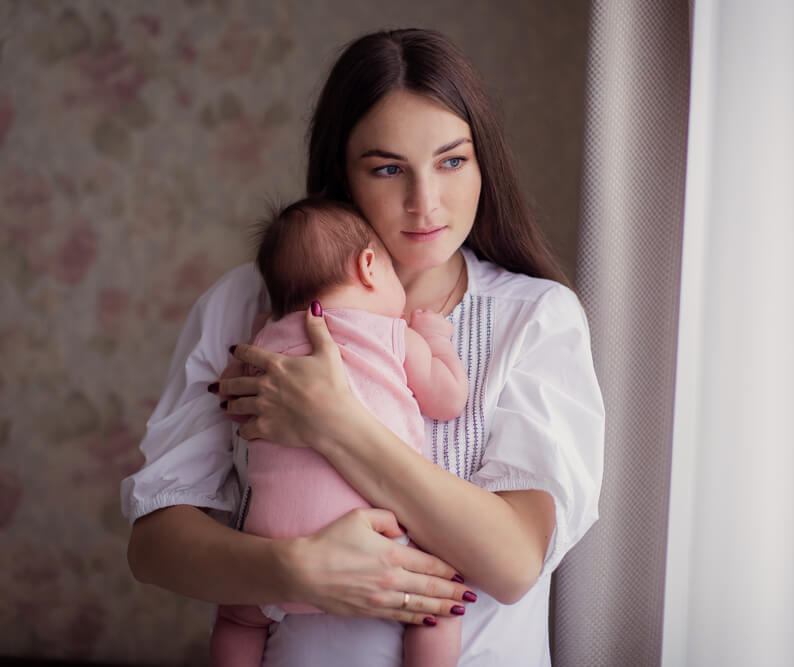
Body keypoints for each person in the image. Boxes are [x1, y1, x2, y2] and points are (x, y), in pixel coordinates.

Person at [122, 28, 604, 666]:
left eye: (452, 161)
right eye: (387, 168)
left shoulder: (534, 318)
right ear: (341, 176)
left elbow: (513, 563)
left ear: (484, 161)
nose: (425, 202)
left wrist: (334, 422)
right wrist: (296, 570)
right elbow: (154, 544)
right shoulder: (246, 303)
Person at [209, 198, 468, 667]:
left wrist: (253, 340)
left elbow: (231, 402)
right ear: (369, 267)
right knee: (440, 604)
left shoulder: (263, 346)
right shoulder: (391, 335)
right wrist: (436, 338)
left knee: (238, 618)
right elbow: (448, 399)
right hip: (375, 543)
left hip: (272, 548)